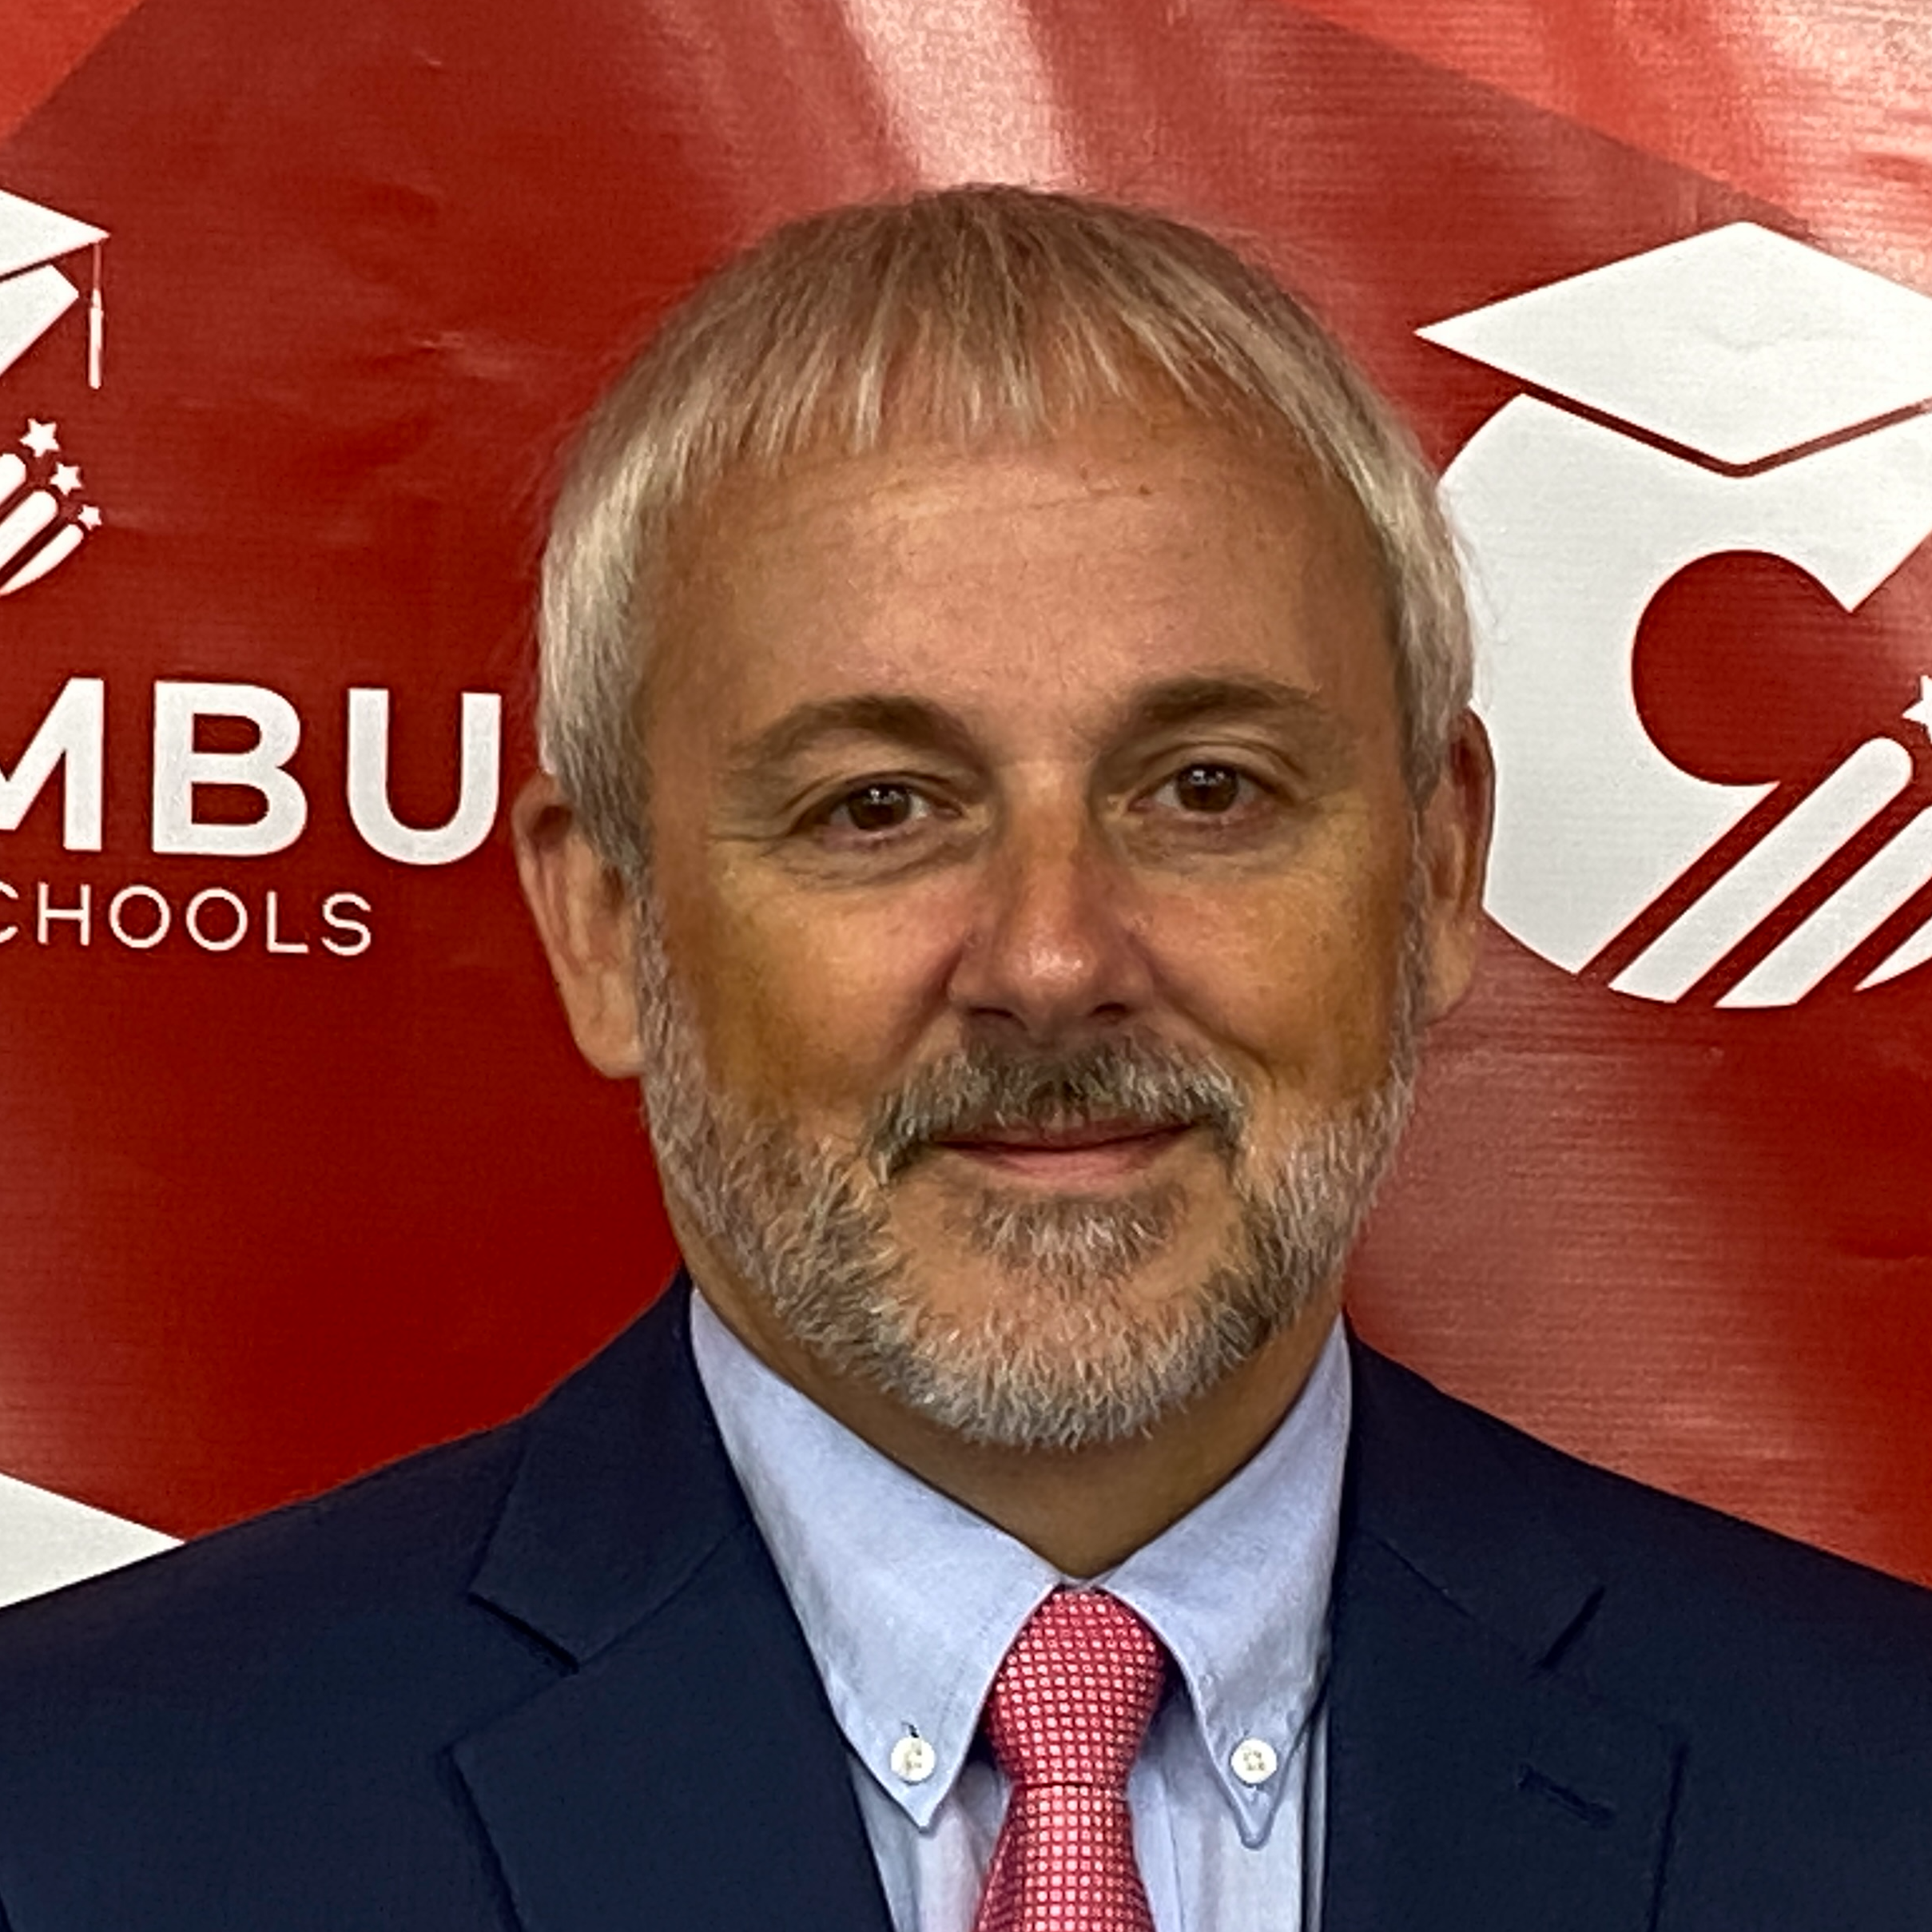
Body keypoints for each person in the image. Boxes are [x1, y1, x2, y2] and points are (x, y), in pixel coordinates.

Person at [0, 186, 1929, 1932]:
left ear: (1433, 874)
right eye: (878, 807)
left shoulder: (1878, 1792)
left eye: (1205, 788)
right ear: (608, 924)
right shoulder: (82, 1818)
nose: (1055, 957)